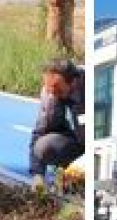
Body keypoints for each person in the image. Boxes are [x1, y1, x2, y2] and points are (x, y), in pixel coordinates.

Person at [29, 59, 84, 193]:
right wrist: (38, 174)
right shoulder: (50, 94)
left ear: (73, 82)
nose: (53, 93)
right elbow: (40, 130)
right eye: (49, 89)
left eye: (58, 90)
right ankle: (69, 172)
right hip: (77, 141)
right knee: (43, 146)